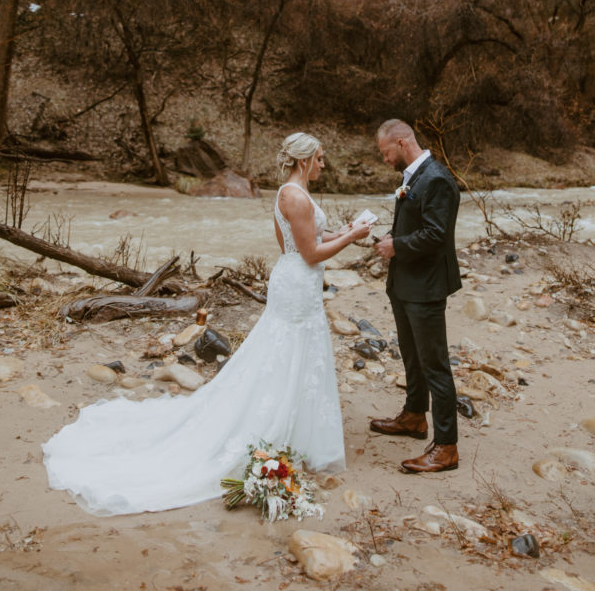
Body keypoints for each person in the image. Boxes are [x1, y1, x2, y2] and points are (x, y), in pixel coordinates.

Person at [43, 133, 372, 515]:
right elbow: (310, 252)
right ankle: (275, 429)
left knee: (298, 355)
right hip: (299, 285)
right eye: (319, 157)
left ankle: (297, 434)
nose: (323, 163)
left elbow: (305, 240)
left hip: (298, 282)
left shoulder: (291, 193)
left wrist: (348, 231)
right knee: (287, 353)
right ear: (302, 161)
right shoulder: (294, 196)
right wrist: (352, 236)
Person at [370, 119, 461, 474]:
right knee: (411, 354)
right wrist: (390, 237)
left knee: (434, 364)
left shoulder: (436, 178)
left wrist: (397, 245)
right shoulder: (414, 176)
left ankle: (447, 446)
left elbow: (437, 235)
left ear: (403, 142)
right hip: (405, 282)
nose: (384, 159)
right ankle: (413, 416)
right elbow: (416, 224)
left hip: (425, 286)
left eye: (385, 151)